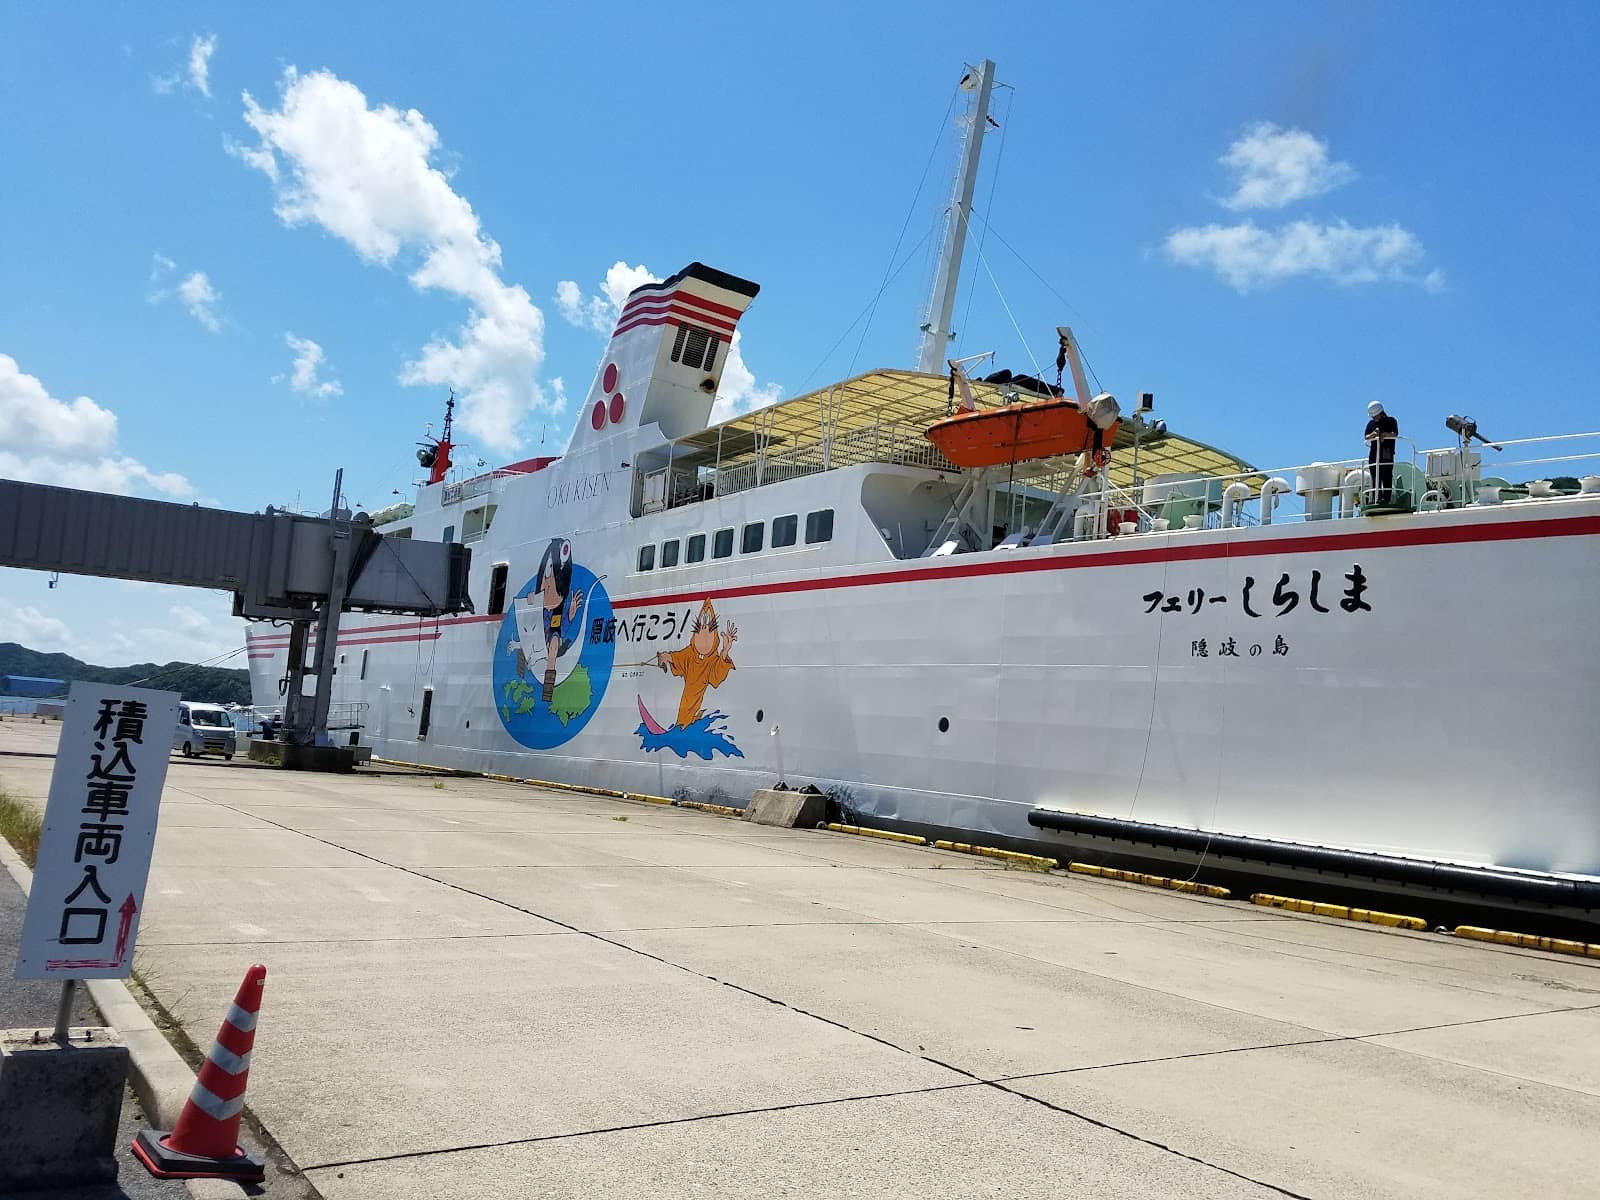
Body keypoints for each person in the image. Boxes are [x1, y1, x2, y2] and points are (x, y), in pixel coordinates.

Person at [1364, 401, 1399, 506]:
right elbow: (1366, 436)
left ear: (1380, 412)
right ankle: (1376, 498)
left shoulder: (1391, 421)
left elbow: (1395, 433)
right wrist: (1374, 434)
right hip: (1374, 452)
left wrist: (1384, 434)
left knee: (1386, 475)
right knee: (1375, 476)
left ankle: (1386, 499)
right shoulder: (1371, 424)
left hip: (1386, 451)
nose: (1374, 418)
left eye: (1375, 416)